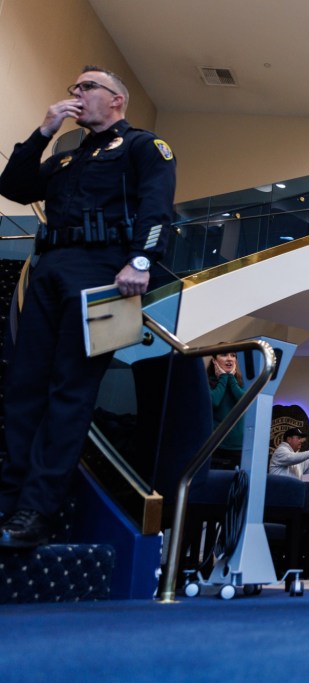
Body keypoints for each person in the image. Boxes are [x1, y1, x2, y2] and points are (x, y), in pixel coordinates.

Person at [0, 66, 176, 548]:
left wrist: (141, 259)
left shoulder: (143, 146)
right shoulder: (64, 158)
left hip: (102, 271)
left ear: (116, 99)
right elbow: (14, 186)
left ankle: (37, 510)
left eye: (87, 87)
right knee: (24, 386)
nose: (76, 94)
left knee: (70, 390)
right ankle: (10, 498)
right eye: (73, 88)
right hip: (50, 268)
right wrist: (43, 132)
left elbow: (157, 206)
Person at [208, 352, 245, 469]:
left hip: (240, 448)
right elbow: (213, 402)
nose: (230, 359)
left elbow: (245, 402)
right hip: (216, 447)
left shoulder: (241, 382)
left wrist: (231, 379)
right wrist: (223, 377)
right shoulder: (207, 381)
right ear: (214, 360)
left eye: (233, 355)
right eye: (224, 355)